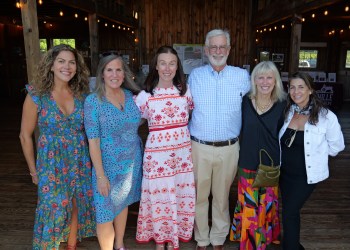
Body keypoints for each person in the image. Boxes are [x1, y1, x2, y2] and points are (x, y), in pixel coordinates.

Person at [19, 44, 96, 250]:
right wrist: (33, 171)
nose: (67, 66)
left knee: (75, 204)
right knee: (52, 208)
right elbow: (25, 136)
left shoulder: (82, 95)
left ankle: (71, 245)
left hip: (79, 158)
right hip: (51, 161)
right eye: (61, 61)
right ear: (51, 66)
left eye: (71, 62)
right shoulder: (37, 95)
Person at [188, 29, 251, 250]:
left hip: (229, 148)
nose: (217, 51)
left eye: (222, 47)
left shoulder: (242, 77)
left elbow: (259, 103)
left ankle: (218, 238)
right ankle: (202, 238)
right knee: (199, 196)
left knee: (222, 197)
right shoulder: (195, 76)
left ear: (229, 49)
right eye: (213, 47)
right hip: (199, 147)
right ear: (206, 50)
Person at [135, 46, 196, 250]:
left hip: (181, 156)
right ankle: (161, 240)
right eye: (163, 63)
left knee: (178, 195)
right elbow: (134, 123)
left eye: (172, 63)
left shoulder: (185, 92)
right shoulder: (145, 96)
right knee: (160, 196)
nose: (167, 68)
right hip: (157, 157)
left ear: (177, 66)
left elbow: (190, 114)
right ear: (156, 66)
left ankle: (174, 237)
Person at [279, 72, 345, 250]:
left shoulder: (325, 116)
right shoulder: (287, 111)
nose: (296, 91)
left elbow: (336, 146)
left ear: (310, 90)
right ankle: (293, 244)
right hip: (284, 174)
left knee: (290, 212)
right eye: (292, 87)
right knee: (290, 212)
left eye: (301, 87)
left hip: (305, 175)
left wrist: (318, 155)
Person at [84, 53, 143, 250]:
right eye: (109, 70)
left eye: (118, 70)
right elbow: (93, 141)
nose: (114, 74)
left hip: (130, 163)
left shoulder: (131, 96)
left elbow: (139, 119)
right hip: (106, 166)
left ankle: (119, 245)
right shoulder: (93, 101)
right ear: (101, 74)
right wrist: (100, 175)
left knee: (122, 203)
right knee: (104, 213)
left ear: (124, 73)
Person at [229, 61, 286, 249]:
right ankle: (250, 244)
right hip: (247, 162)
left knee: (266, 205)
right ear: (253, 80)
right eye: (260, 77)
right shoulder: (244, 101)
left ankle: (264, 238)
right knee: (249, 207)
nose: (265, 81)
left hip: (269, 165)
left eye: (269, 77)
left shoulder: (283, 105)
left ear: (276, 81)